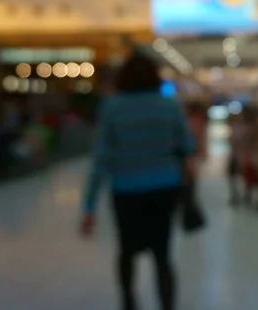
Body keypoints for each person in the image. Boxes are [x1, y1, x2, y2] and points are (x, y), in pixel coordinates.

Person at [79, 54, 195, 310]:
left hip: (126, 190)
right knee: (163, 255)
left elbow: (101, 159)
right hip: (165, 188)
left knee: (127, 249)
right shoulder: (169, 106)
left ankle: (129, 301)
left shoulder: (112, 108)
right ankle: (167, 304)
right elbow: (187, 147)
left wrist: (89, 206)